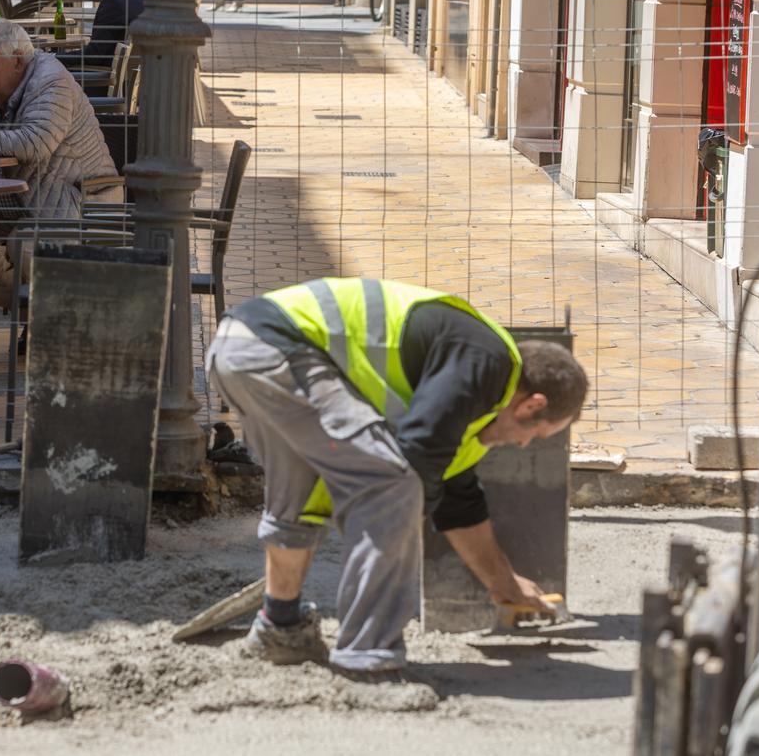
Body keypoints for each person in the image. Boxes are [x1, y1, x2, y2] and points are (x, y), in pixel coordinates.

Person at [205, 278, 590, 673]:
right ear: (532, 405)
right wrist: (391, 524)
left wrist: (503, 583)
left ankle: (280, 627)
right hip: (278, 346)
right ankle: (368, 657)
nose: (524, 444)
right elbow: (414, 463)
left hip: (241, 347)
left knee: (301, 497)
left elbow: (458, 503)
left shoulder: (471, 394)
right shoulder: (487, 361)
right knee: (392, 484)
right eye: (536, 434)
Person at [0, 19, 117, 312]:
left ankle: (53, 321)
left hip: (73, 200)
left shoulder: (51, 81)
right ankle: (37, 313)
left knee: (24, 245)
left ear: (17, 60)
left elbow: (36, 142)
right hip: (9, 203)